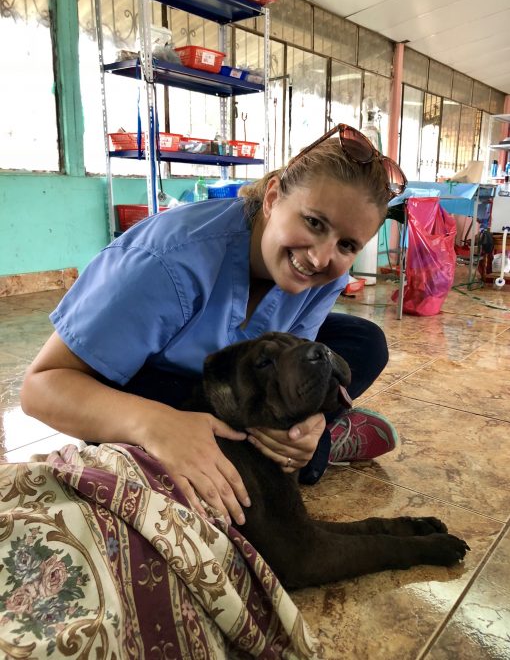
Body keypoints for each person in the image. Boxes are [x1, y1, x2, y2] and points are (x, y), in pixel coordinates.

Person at [21, 122, 407, 527]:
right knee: (192, 428)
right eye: (313, 222)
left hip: (234, 386)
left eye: (347, 245)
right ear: (273, 197)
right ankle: (317, 451)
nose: (320, 256)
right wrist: (156, 425)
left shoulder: (326, 273)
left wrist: (306, 421)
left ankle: (312, 444)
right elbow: (41, 388)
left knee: (364, 341)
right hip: (153, 391)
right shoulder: (166, 261)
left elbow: (293, 363)